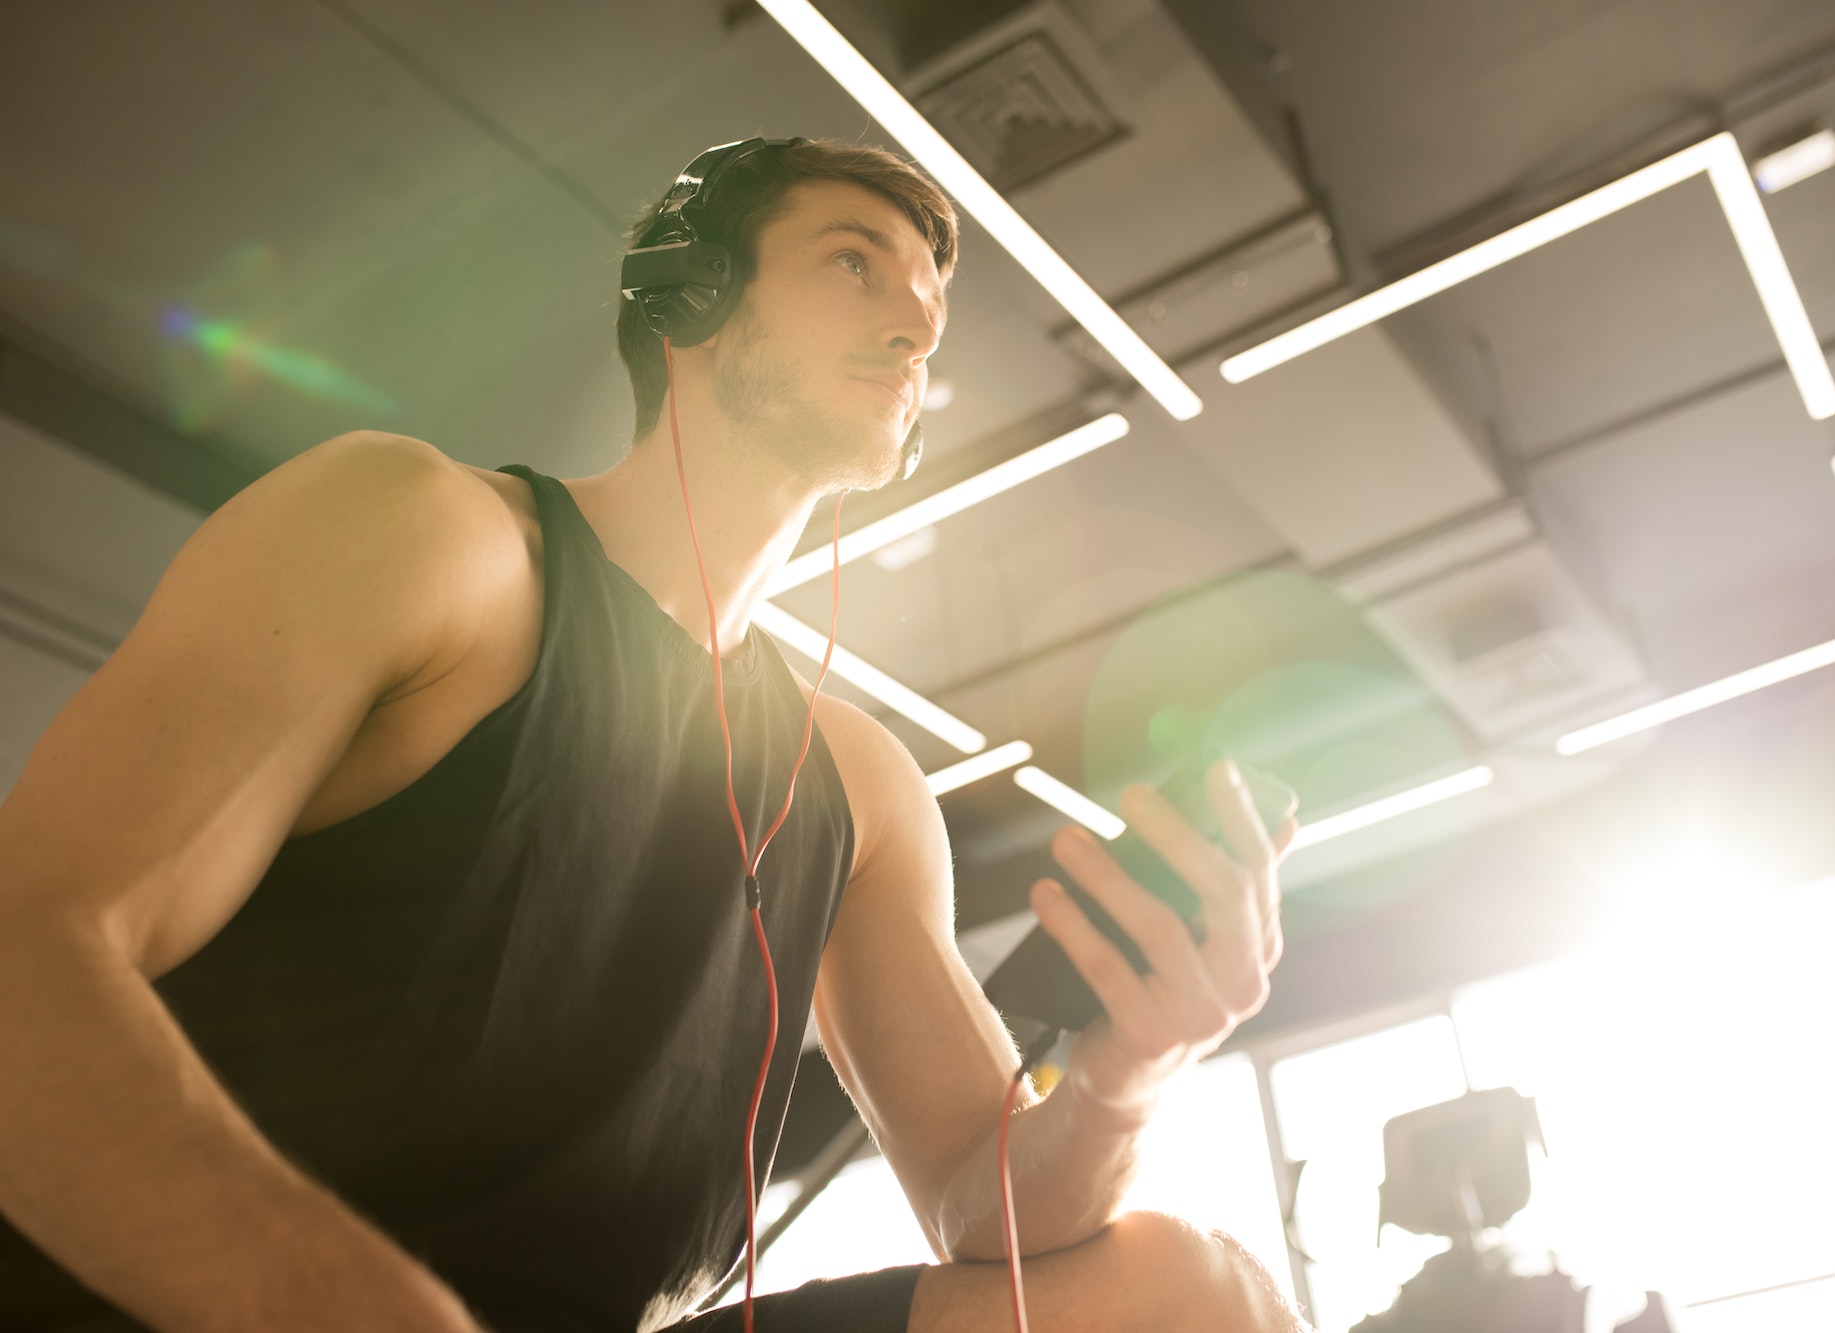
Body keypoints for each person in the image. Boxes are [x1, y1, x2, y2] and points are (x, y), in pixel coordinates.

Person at [0, 137, 1305, 1333]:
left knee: (1187, 1292)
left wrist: (1125, 1078)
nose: (913, 321)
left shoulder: (857, 786)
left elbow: (983, 1201)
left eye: (929, 301)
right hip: (205, 1299)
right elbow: (24, 951)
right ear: (686, 294)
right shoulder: (422, 537)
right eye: (853, 263)